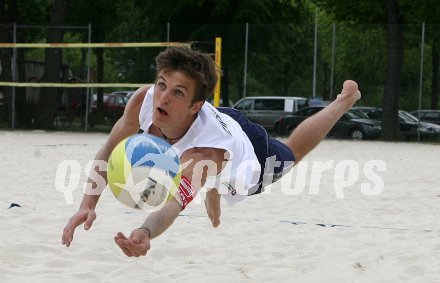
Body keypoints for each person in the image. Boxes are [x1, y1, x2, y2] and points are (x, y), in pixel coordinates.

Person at [62, 46, 361, 257]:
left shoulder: (206, 153)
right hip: (221, 119)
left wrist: (145, 231)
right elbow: (109, 148)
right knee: (193, 174)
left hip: (248, 152)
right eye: (162, 85)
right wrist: (89, 204)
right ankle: (212, 186)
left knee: (292, 152)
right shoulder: (145, 100)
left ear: (195, 105)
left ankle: (342, 102)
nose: (162, 98)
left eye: (177, 92)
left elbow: (174, 204)